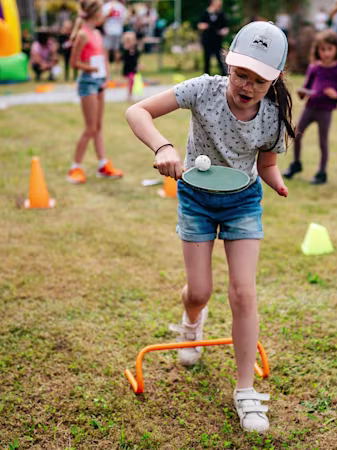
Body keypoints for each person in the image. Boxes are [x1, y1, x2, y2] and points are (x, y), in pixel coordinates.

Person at [125, 21, 294, 432]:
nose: (246, 86)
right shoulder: (202, 90)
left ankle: (245, 391)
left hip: (242, 203)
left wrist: (274, 179)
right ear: (228, 64)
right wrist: (163, 146)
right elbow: (137, 111)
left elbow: (266, 161)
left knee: (243, 291)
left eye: (258, 80)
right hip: (196, 200)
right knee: (200, 290)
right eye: (240, 74)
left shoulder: (271, 117)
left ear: (274, 80)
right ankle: (191, 322)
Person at [283, 30, 337, 185]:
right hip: (310, 107)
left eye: (329, 49)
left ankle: (321, 172)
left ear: (336, 50)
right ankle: (296, 164)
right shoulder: (314, 68)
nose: (326, 53)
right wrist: (302, 93)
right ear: (317, 50)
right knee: (296, 134)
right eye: (322, 49)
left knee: (323, 141)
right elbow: (307, 86)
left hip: (325, 110)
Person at [67, 0, 124, 185]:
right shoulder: (82, 34)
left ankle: (102, 165)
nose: (105, 15)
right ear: (95, 14)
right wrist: (90, 69)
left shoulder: (97, 33)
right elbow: (73, 63)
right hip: (88, 82)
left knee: (98, 126)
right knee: (90, 128)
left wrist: (106, 76)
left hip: (99, 82)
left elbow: (103, 57)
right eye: (102, 12)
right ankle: (75, 167)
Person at [198, 0, 229, 76]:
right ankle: (206, 74)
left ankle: (224, 74)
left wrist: (224, 31)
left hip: (217, 40)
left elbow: (225, 26)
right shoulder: (205, 13)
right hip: (207, 39)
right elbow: (200, 24)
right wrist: (203, 26)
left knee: (219, 58)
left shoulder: (221, 14)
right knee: (207, 58)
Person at [102, 0, 127, 66]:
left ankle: (106, 66)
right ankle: (117, 67)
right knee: (116, 50)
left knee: (106, 50)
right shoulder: (121, 6)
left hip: (108, 30)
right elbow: (124, 19)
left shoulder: (106, 6)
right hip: (118, 30)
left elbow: (102, 18)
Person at [121, 30, 141, 102]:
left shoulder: (135, 49)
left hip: (133, 68)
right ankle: (129, 94)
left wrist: (138, 65)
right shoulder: (125, 50)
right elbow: (123, 58)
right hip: (127, 68)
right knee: (130, 80)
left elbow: (137, 57)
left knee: (132, 80)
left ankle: (130, 94)